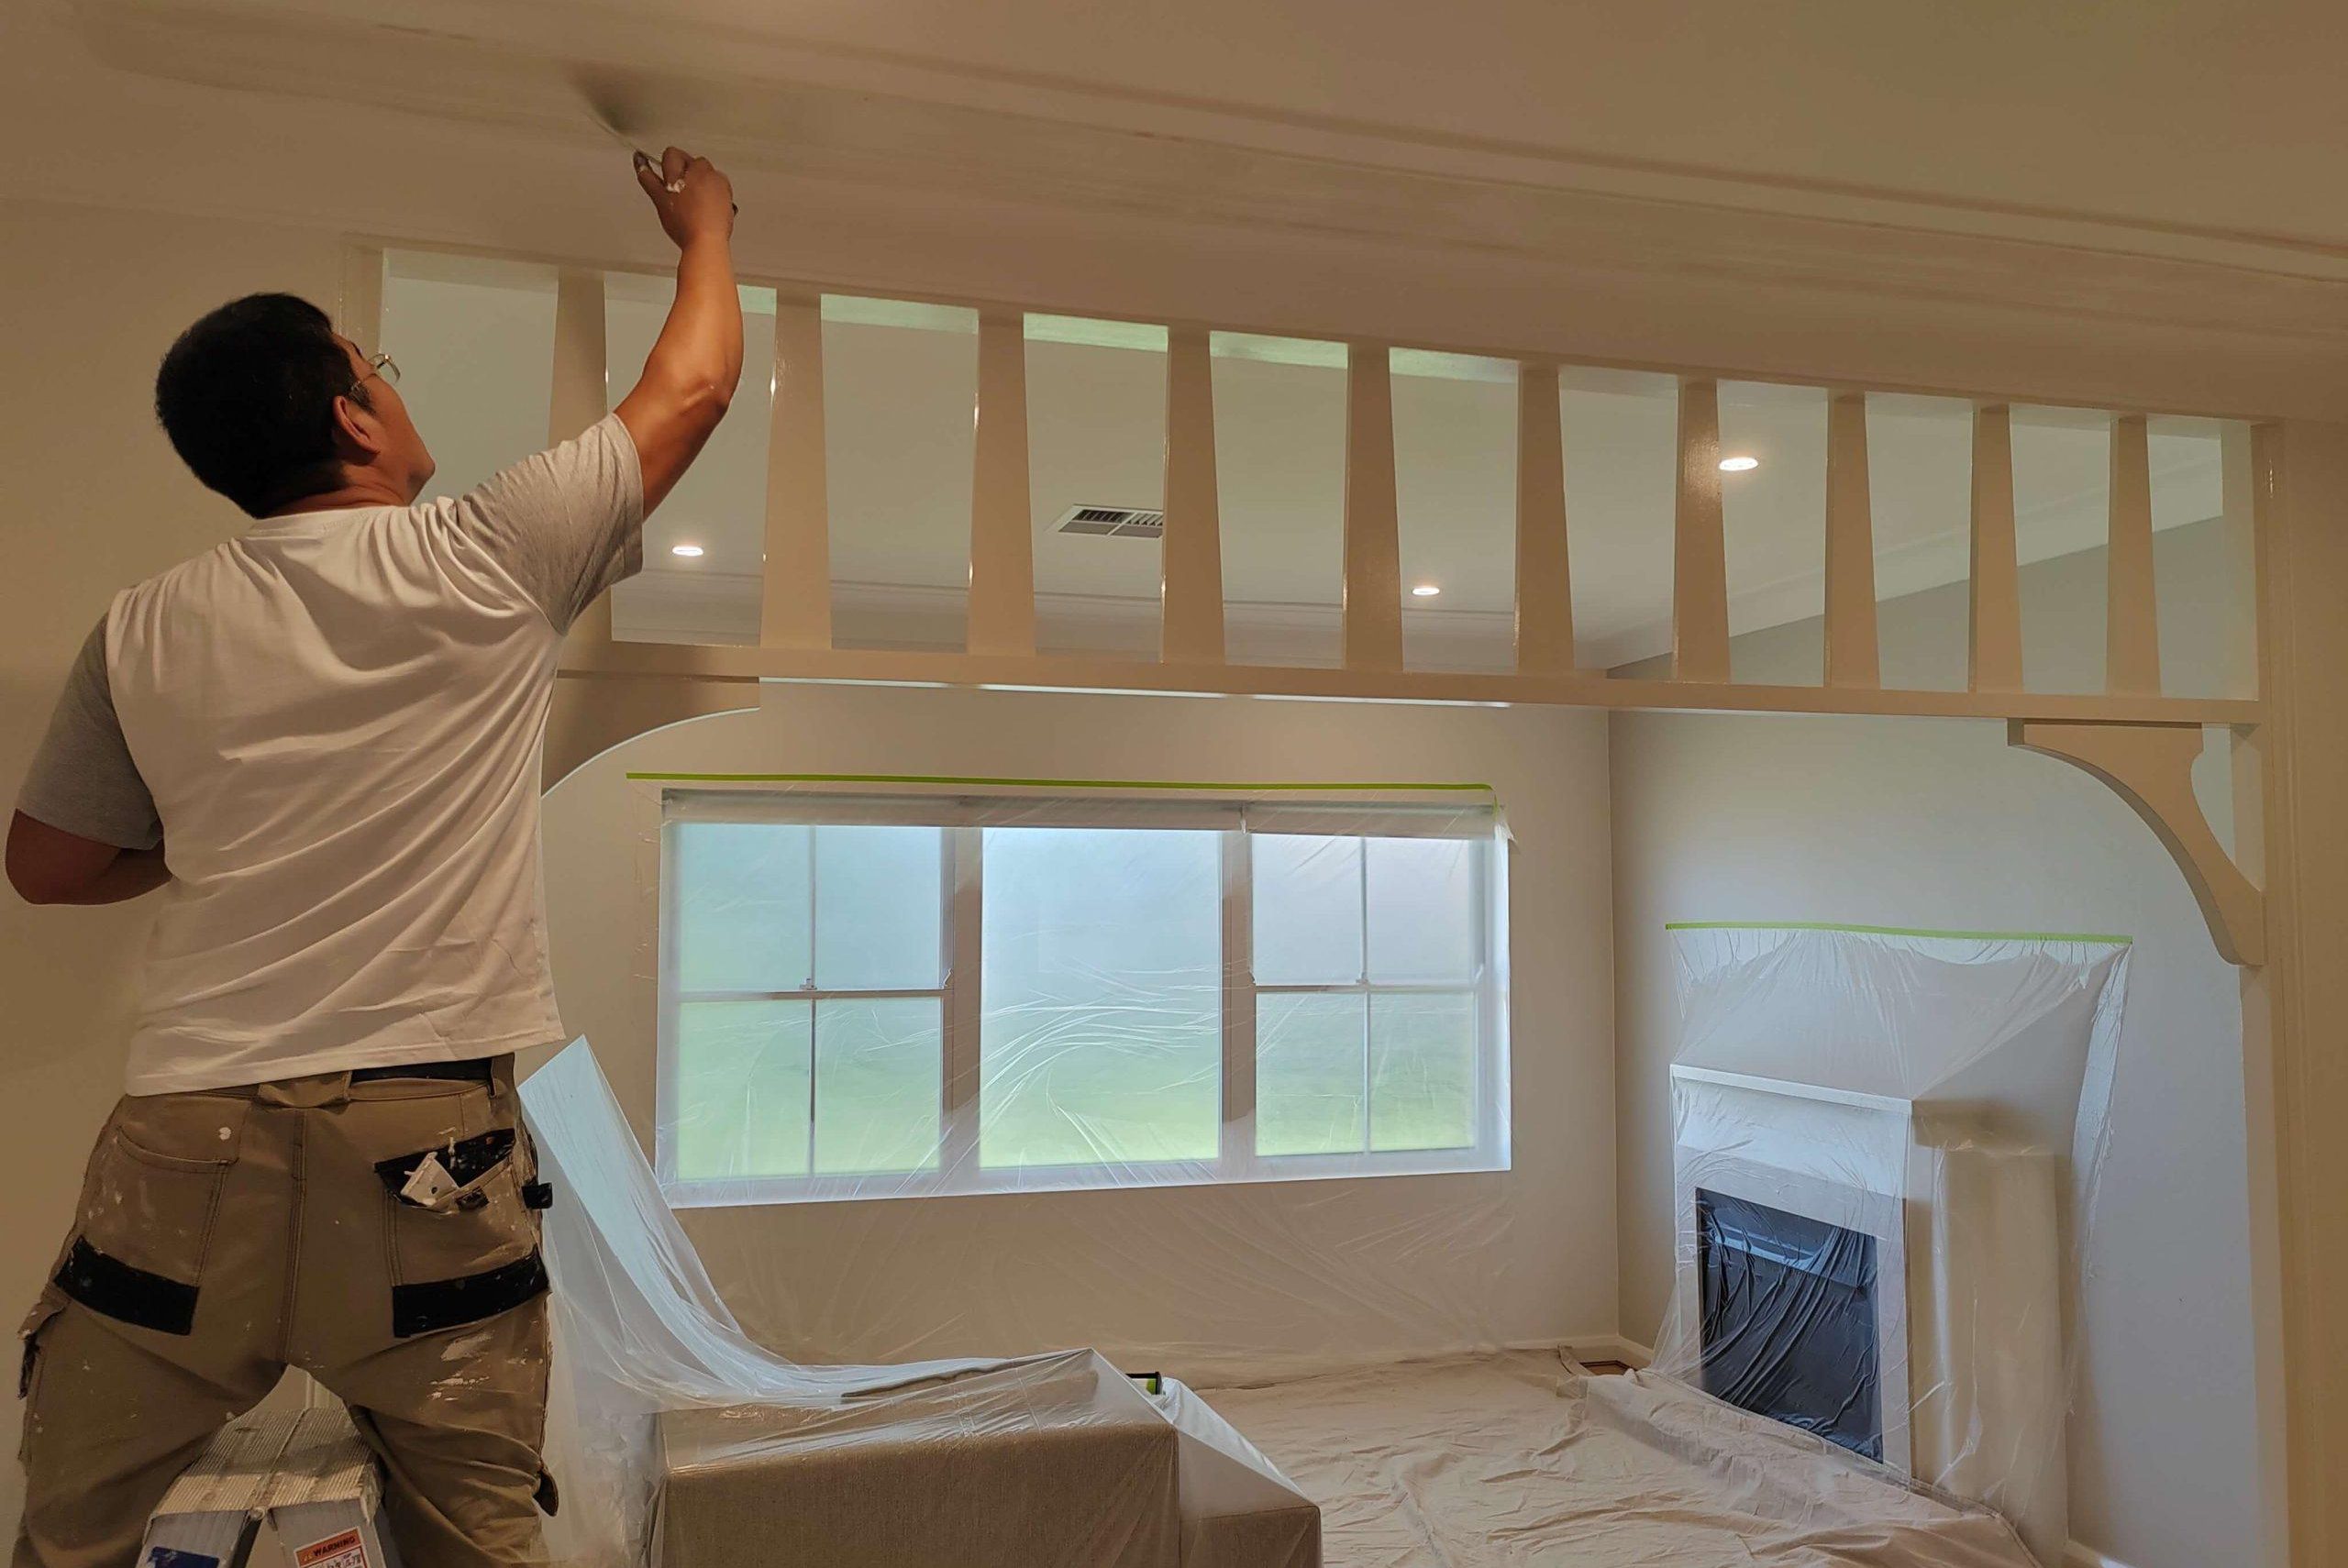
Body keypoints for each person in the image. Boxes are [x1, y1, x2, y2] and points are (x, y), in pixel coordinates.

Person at [5, 147, 742, 1565]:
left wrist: (207, 839)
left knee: (72, 1534)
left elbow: (47, 862)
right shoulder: (481, 555)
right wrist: (706, 224)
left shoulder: (144, 623)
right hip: (423, 1156)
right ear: (352, 408)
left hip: (184, 1146)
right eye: (380, 364)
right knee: (476, 1538)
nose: (396, 386)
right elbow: (694, 385)